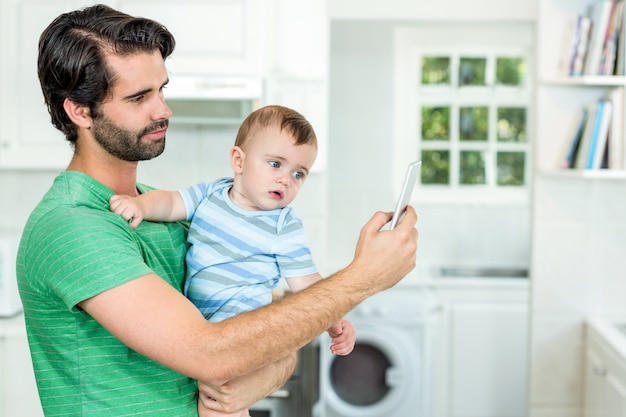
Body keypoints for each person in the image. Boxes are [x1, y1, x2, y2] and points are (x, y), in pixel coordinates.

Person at [15, 4, 418, 417]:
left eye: (161, 89)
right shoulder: (72, 226)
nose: (163, 110)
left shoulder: (170, 211)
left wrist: (267, 371)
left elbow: (260, 336)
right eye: (139, 97)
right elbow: (212, 354)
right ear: (79, 111)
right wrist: (362, 278)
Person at [110, 104, 357, 417]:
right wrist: (141, 206)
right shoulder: (212, 194)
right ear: (238, 160)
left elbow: (309, 285)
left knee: (219, 401)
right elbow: (172, 202)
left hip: (242, 333)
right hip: (198, 328)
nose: (286, 180)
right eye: (275, 164)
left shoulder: (284, 225)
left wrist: (335, 319)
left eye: (298, 173)